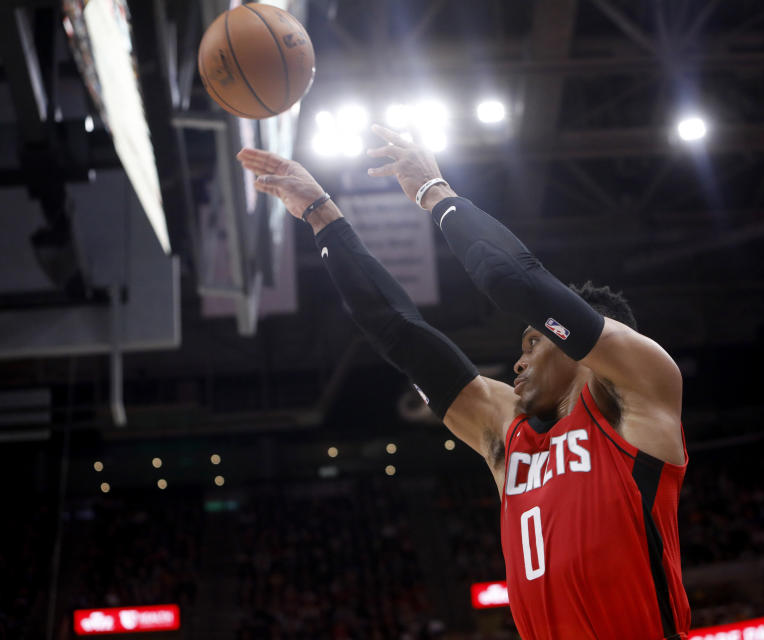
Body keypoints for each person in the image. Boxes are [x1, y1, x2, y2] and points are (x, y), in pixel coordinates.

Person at [236, 123, 690, 640]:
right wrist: (320, 213)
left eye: (532, 344)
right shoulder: (509, 433)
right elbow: (399, 332)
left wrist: (435, 191)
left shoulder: (639, 391)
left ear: (580, 350)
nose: (517, 365)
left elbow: (512, 280)